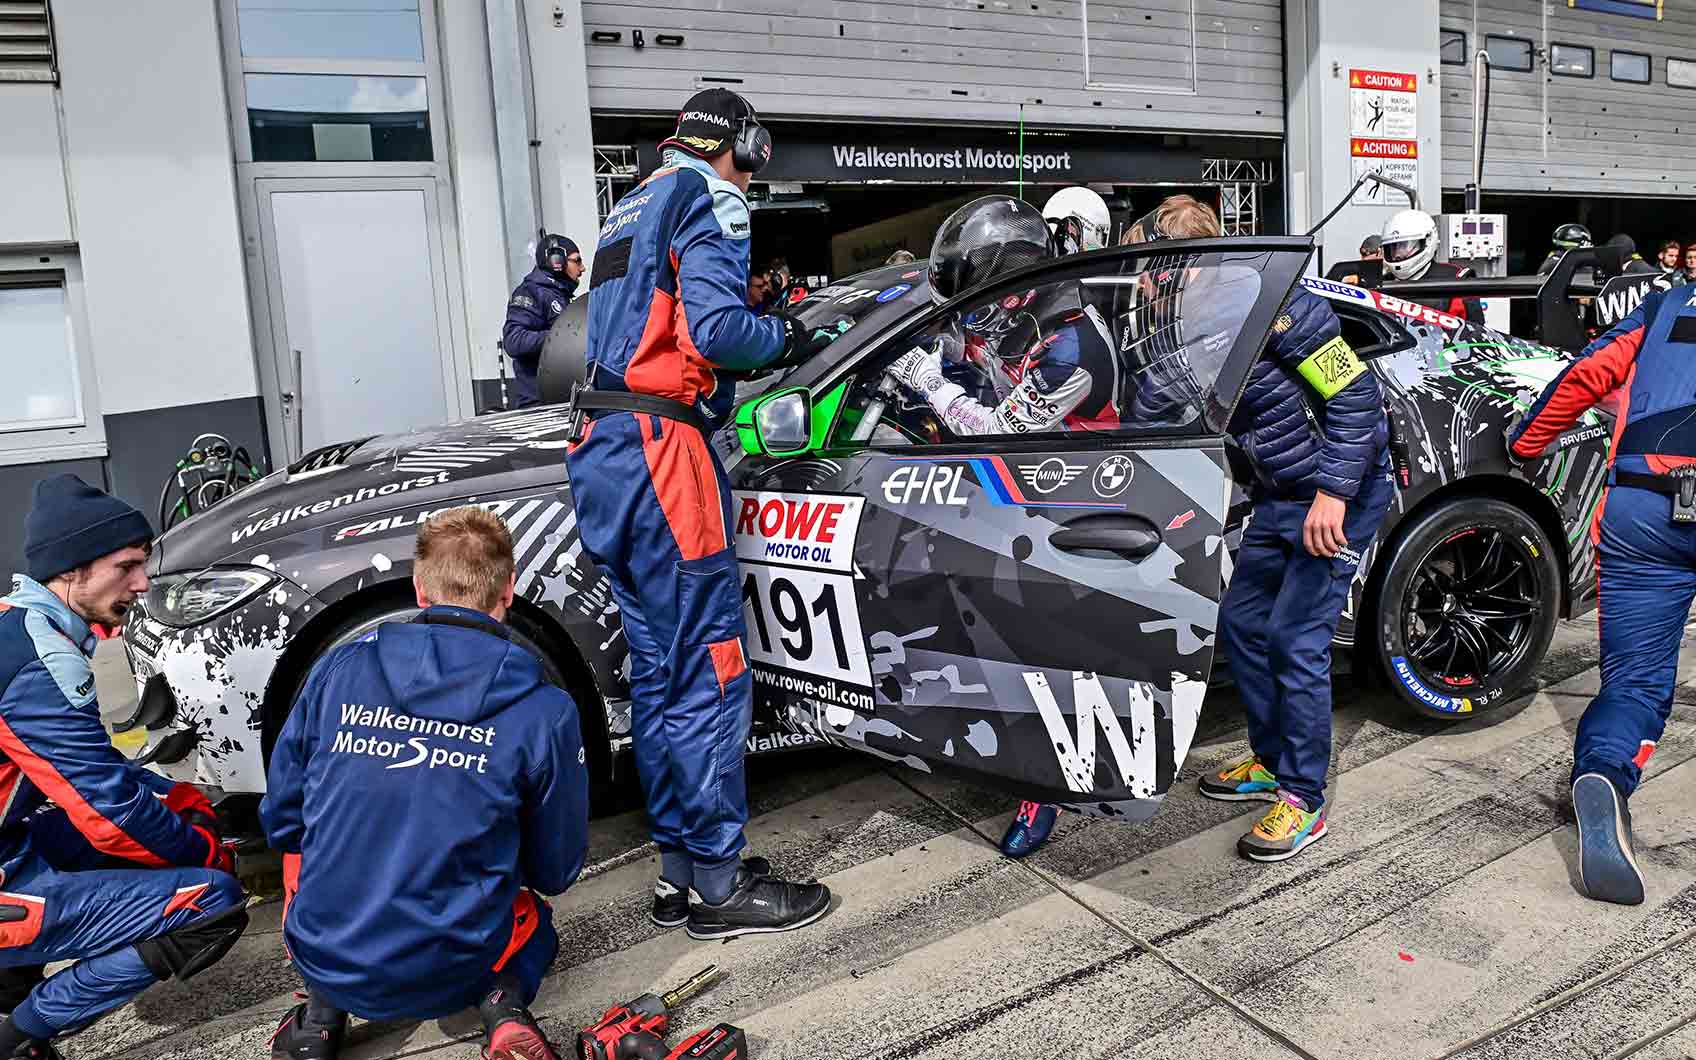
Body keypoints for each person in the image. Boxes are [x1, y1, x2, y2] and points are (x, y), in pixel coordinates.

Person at [565, 88, 833, 940]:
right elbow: (717, 332)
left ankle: (680, 872)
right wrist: (787, 339)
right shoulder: (709, 195)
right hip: (662, 453)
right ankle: (722, 885)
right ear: (745, 145)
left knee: (659, 676)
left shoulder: (630, 203)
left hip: (601, 449)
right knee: (713, 671)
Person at [263, 506, 589, 1060]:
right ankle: (502, 1006)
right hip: (452, 970)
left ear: (418, 588)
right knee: (535, 923)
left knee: (313, 863)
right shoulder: (545, 711)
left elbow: (283, 814)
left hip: (323, 949)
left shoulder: (338, 670)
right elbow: (554, 869)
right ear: (508, 590)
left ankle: (320, 1017)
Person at [0, 475, 245, 1060]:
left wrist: (175, 799)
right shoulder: (40, 666)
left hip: (12, 841)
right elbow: (109, 813)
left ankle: (10, 994)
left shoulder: (19, 624)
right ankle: (17, 1037)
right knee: (212, 902)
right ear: (72, 568)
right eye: (126, 567)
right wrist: (202, 849)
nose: (142, 582)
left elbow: (94, 770)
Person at [1506, 287, 1696, 906]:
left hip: (1646, 503)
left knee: (1634, 686)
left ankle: (1604, 773)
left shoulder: (1668, 304)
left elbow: (1588, 372)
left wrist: (1527, 443)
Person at [1208, 236, 1392, 862]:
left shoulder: (1278, 306)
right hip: (1280, 494)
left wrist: (1335, 493)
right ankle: (1270, 760)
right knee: (1243, 624)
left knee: (1295, 637)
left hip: (1338, 494)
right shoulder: (1205, 323)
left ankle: (1303, 797)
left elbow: (1355, 397)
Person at [885, 195, 1119, 437]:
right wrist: (927, 342)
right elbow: (976, 345)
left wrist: (928, 380)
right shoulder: (1020, 309)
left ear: (1013, 299)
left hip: (1070, 457)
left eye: (974, 315)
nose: (966, 322)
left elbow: (996, 430)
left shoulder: (1069, 351)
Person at [502, 233, 583, 408]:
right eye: (577, 261)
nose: (582, 268)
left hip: (562, 399)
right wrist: (562, 336)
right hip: (539, 405)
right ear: (557, 260)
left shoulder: (560, 296)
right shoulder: (530, 292)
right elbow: (514, 341)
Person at [1380, 209, 1483, 324]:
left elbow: (1477, 334)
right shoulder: (1382, 284)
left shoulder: (1458, 281)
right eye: (1393, 248)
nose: (1397, 255)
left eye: (1403, 246)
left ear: (1428, 241)